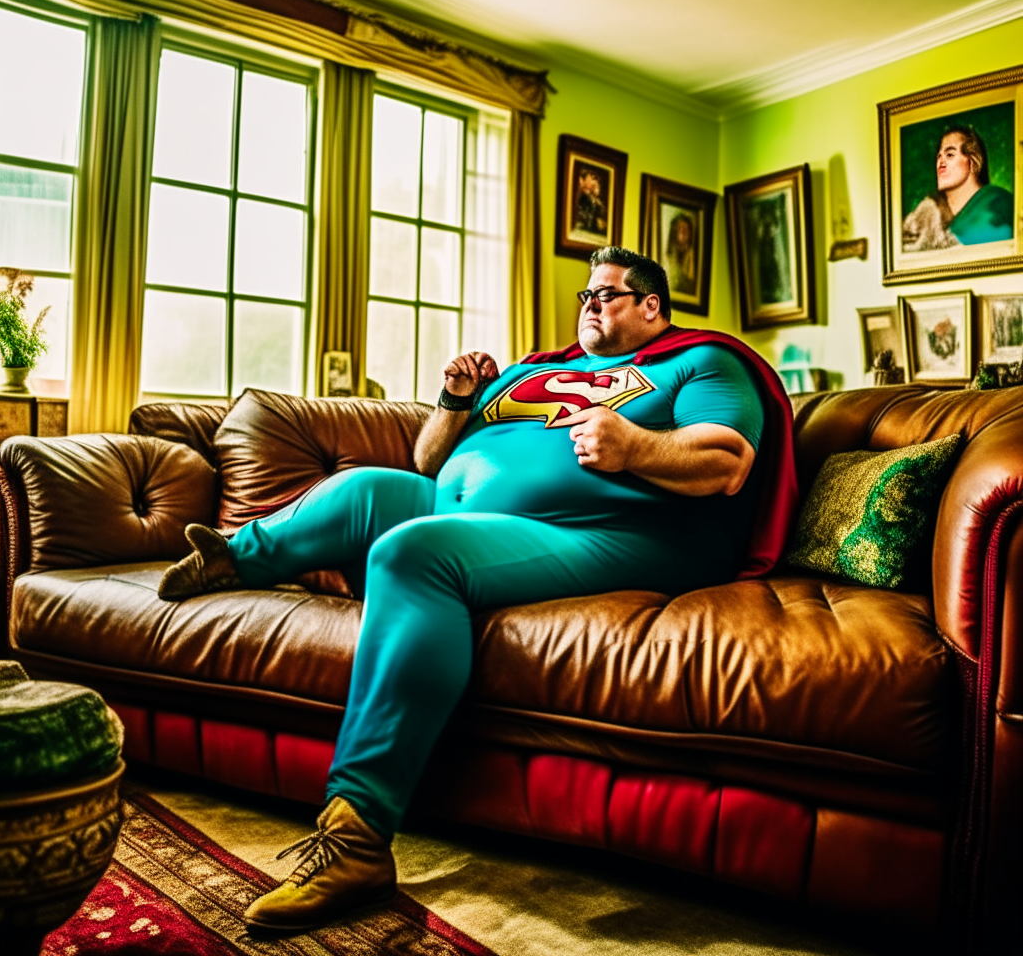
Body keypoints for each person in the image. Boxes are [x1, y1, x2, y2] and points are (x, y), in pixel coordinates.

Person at [157, 246, 798, 932]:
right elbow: (429, 461)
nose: (589, 305)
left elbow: (728, 461)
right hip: (468, 506)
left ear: (652, 307)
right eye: (585, 294)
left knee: (413, 552)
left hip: (608, 532)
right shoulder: (538, 369)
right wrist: (456, 401)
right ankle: (234, 558)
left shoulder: (701, 362)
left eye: (607, 294)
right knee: (361, 489)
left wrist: (635, 446)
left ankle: (357, 840)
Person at [902, 124, 1014, 251]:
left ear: (973, 162)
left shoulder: (1000, 206)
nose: (940, 163)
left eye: (949, 155)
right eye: (939, 157)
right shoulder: (925, 213)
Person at [665, 210, 696, 296]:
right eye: (680, 229)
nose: (683, 232)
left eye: (686, 229)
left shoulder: (693, 256)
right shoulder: (668, 256)